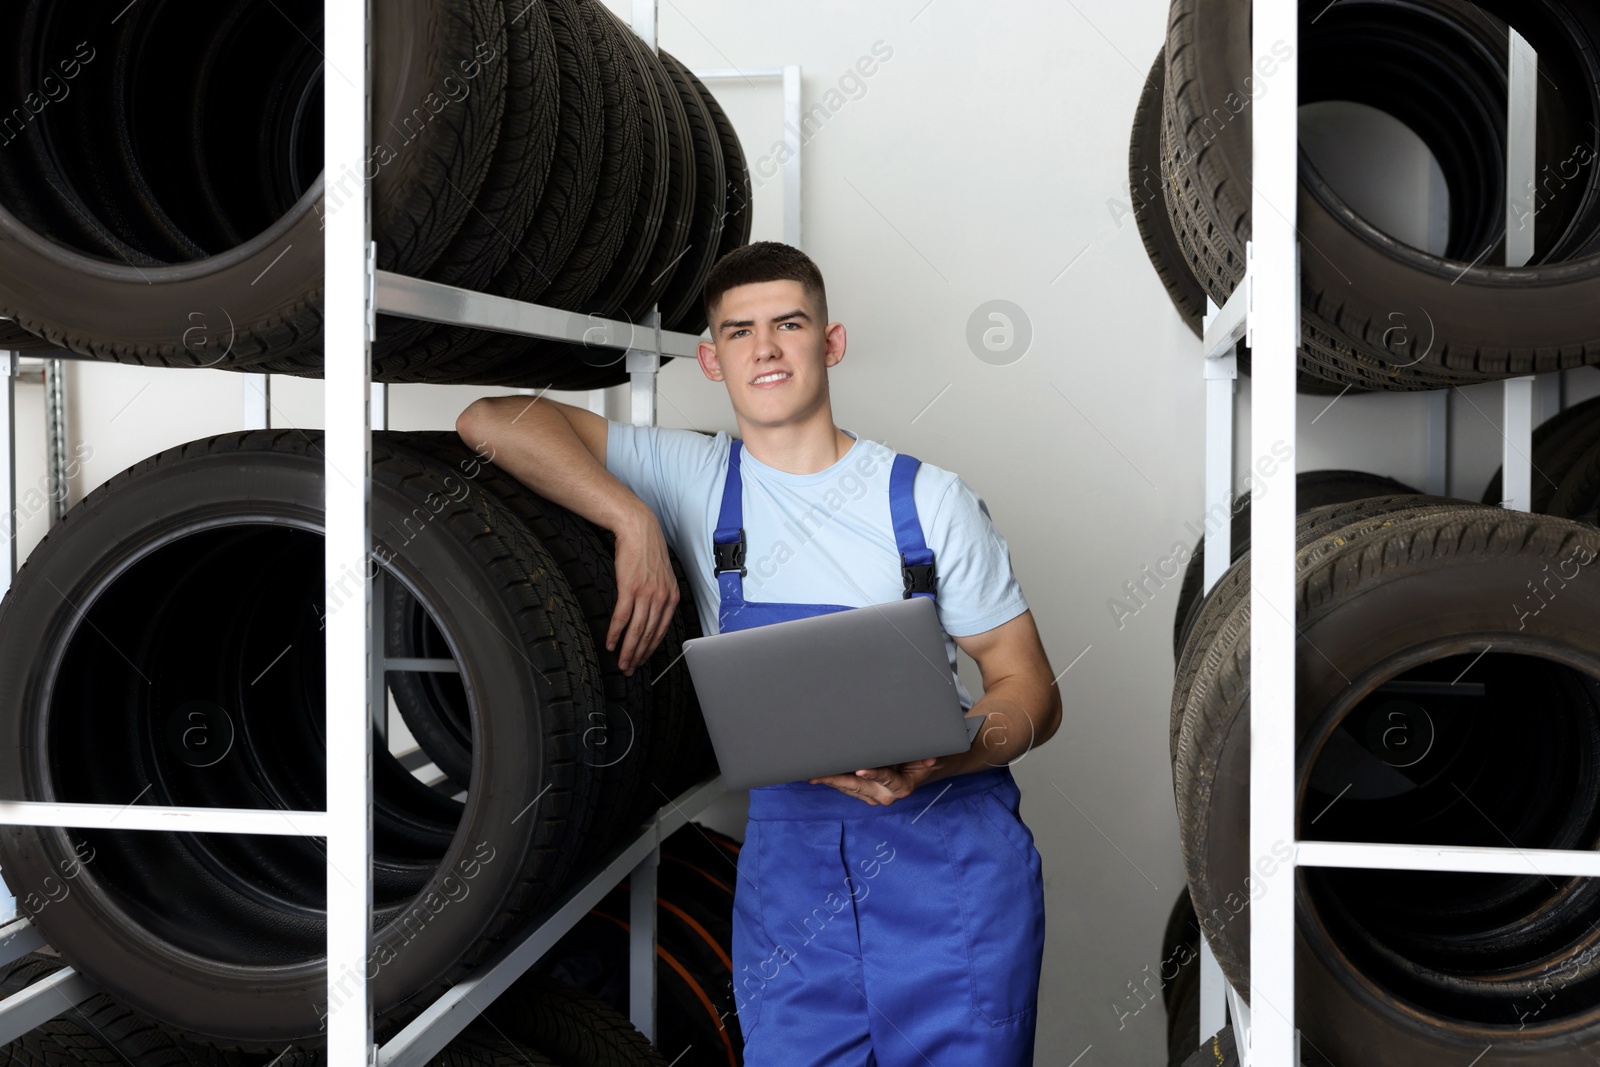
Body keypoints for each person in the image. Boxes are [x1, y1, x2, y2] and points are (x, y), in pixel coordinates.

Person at [456, 241, 1061, 1066]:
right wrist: (630, 519)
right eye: (739, 332)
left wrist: (942, 758)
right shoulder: (695, 480)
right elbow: (490, 419)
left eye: (789, 323)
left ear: (831, 342)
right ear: (711, 359)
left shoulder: (926, 500)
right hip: (793, 875)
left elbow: (1030, 687)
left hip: (949, 862)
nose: (765, 348)